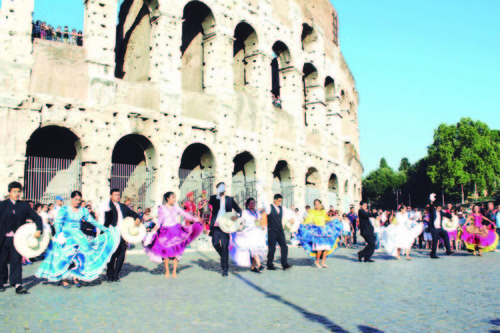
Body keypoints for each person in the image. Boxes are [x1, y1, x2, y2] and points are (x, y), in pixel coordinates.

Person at [144, 192, 202, 278]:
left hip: (176, 231)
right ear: (168, 198)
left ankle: (174, 271)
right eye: (173, 197)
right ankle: (167, 270)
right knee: (166, 252)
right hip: (165, 232)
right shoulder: (162, 208)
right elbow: (160, 220)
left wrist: (195, 219)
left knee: (176, 252)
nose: (174, 199)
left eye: (175, 197)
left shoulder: (176, 207)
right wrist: (155, 228)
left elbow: (184, 214)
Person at [0, 182, 43, 294]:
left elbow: (37, 218)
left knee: (16, 260)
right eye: (14, 191)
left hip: (18, 239)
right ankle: (1, 282)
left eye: (19, 191)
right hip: (3, 238)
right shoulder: (2, 205)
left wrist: (39, 230)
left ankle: (18, 284)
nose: (17, 194)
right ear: (9, 192)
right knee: (2, 261)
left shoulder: (24, 206)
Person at [98, 189, 140, 282]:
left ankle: (116, 275)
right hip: (112, 233)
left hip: (122, 234)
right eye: (115, 195)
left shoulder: (123, 206)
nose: (118, 196)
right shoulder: (107, 206)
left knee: (121, 254)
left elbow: (132, 213)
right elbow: (104, 220)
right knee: (112, 255)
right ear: (111, 196)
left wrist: (137, 217)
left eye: (118, 194)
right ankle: (110, 275)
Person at [208, 182, 242, 277]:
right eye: (220, 187)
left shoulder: (230, 199)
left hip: (226, 226)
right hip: (216, 225)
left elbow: (239, 210)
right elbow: (210, 204)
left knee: (225, 246)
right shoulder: (214, 198)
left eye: (223, 187)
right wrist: (218, 194)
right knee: (215, 243)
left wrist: (236, 216)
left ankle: (225, 269)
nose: (222, 189)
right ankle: (223, 255)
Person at [297, 199, 343, 268]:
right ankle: (317, 261)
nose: (316, 205)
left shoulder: (323, 212)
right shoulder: (312, 212)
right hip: (317, 232)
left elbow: (327, 219)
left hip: (325, 231)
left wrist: (334, 218)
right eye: (315, 204)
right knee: (319, 248)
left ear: (321, 205)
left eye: (318, 204)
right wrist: (303, 225)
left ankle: (323, 261)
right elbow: (308, 221)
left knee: (326, 248)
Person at [229, 198, 267, 273]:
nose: (253, 204)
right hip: (249, 233)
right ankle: (259, 264)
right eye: (251, 203)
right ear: (248, 204)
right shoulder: (245, 213)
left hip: (257, 232)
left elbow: (259, 221)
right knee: (254, 248)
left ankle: (253, 267)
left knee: (257, 248)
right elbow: (239, 219)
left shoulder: (257, 212)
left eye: (254, 203)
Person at [263, 194, 293, 271]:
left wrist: (291, 219)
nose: (280, 202)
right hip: (272, 230)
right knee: (272, 248)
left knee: (284, 247)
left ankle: (284, 264)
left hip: (280, 230)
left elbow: (288, 214)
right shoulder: (269, 207)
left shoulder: (282, 208)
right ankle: (269, 264)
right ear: (275, 200)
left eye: (281, 201)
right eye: (279, 201)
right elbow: (263, 204)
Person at [428, 193, 454, 259]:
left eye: (440, 207)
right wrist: (431, 199)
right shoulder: (432, 211)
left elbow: (446, 214)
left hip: (439, 228)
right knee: (435, 241)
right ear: (435, 207)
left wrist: (451, 216)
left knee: (445, 235)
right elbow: (431, 206)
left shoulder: (440, 212)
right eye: (438, 207)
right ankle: (433, 254)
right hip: (434, 229)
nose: (440, 208)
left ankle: (448, 250)